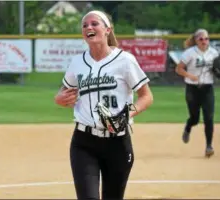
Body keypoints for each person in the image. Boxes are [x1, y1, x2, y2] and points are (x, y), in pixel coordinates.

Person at [55, 10, 153, 200]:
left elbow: (146, 96)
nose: (88, 27)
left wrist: (126, 114)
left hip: (117, 143)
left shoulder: (125, 60)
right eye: (84, 25)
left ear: (108, 29)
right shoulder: (78, 62)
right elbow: (63, 92)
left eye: (94, 24)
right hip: (84, 142)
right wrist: (59, 98)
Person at [175, 28, 220, 158]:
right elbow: (179, 69)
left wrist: (218, 71)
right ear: (196, 40)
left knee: (209, 118)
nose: (204, 41)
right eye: (201, 39)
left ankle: (209, 146)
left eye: (207, 39)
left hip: (208, 88)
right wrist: (190, 76)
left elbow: (218, 69)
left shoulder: (214, 53)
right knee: (195, 118)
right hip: (192, 89)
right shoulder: (189, 53)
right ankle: (188, 127)